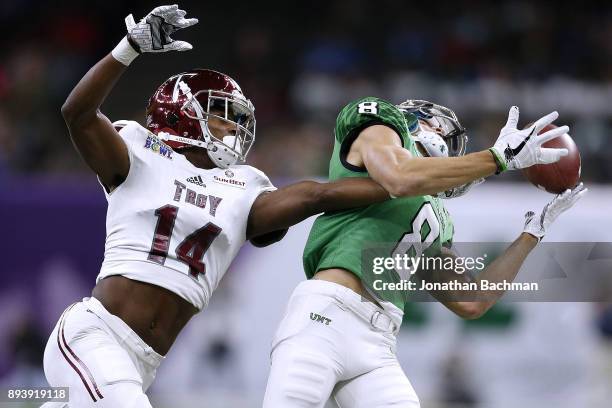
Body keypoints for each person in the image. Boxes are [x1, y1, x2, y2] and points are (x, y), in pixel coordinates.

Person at [40, 6, 396, 408]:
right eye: (222, 114)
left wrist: (402, 184)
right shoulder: (140, 152)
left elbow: (317, 196)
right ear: (182, 112)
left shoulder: (243, 185)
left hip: (144, 361)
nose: (234, 127)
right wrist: (129, 49)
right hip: (95, 334)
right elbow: (78, 113)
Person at [263, 97, 586, 407]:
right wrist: (496, 158)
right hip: (327, 316)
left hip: (379, 340)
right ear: (423, 123)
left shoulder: (436, 216)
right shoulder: (379, 123)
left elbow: (471, 301)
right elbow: (399, 179)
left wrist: (532, 233)